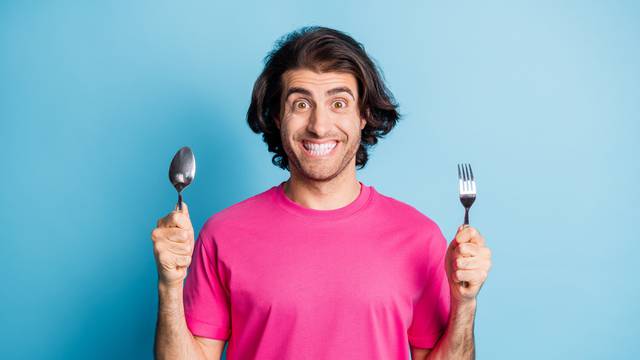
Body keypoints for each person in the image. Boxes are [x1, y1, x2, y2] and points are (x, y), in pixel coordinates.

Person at [151, 26, 492, 360]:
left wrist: (465, 304)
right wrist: (170, 285)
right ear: (277, 116)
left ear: (364, 115)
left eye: (339, 103)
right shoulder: (223, 233)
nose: (319, 125)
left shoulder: (419, 237)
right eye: (301, 104)